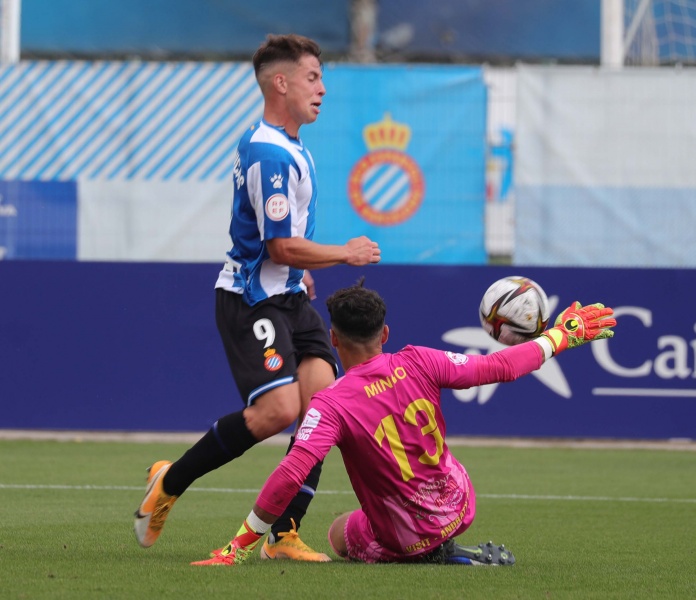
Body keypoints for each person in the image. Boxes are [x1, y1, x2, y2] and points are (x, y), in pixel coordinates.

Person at [133, 34, 381, 561]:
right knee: (277, 412)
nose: (323, 89)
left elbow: (285, 249)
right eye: (313, 78)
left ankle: (283, 535)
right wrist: (344, 253)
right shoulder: (270, 151)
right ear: (281, 82)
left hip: (288, 295)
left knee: (322, 411)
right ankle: (170, 480)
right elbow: (280, 244)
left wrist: (301, 273)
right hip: (252, 300)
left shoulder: (289, 145)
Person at [190, 280, 616, 566]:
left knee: (341, 533)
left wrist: (238, 546)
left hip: (405, 533)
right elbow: (498, 368)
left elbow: (291, 472)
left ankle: (438, 555)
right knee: (416, 487)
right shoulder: (420, 359)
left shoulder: (330, 404)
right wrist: (562, 335)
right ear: (386, 333)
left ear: (333, 340)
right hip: (461, 504)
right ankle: (444, 543)